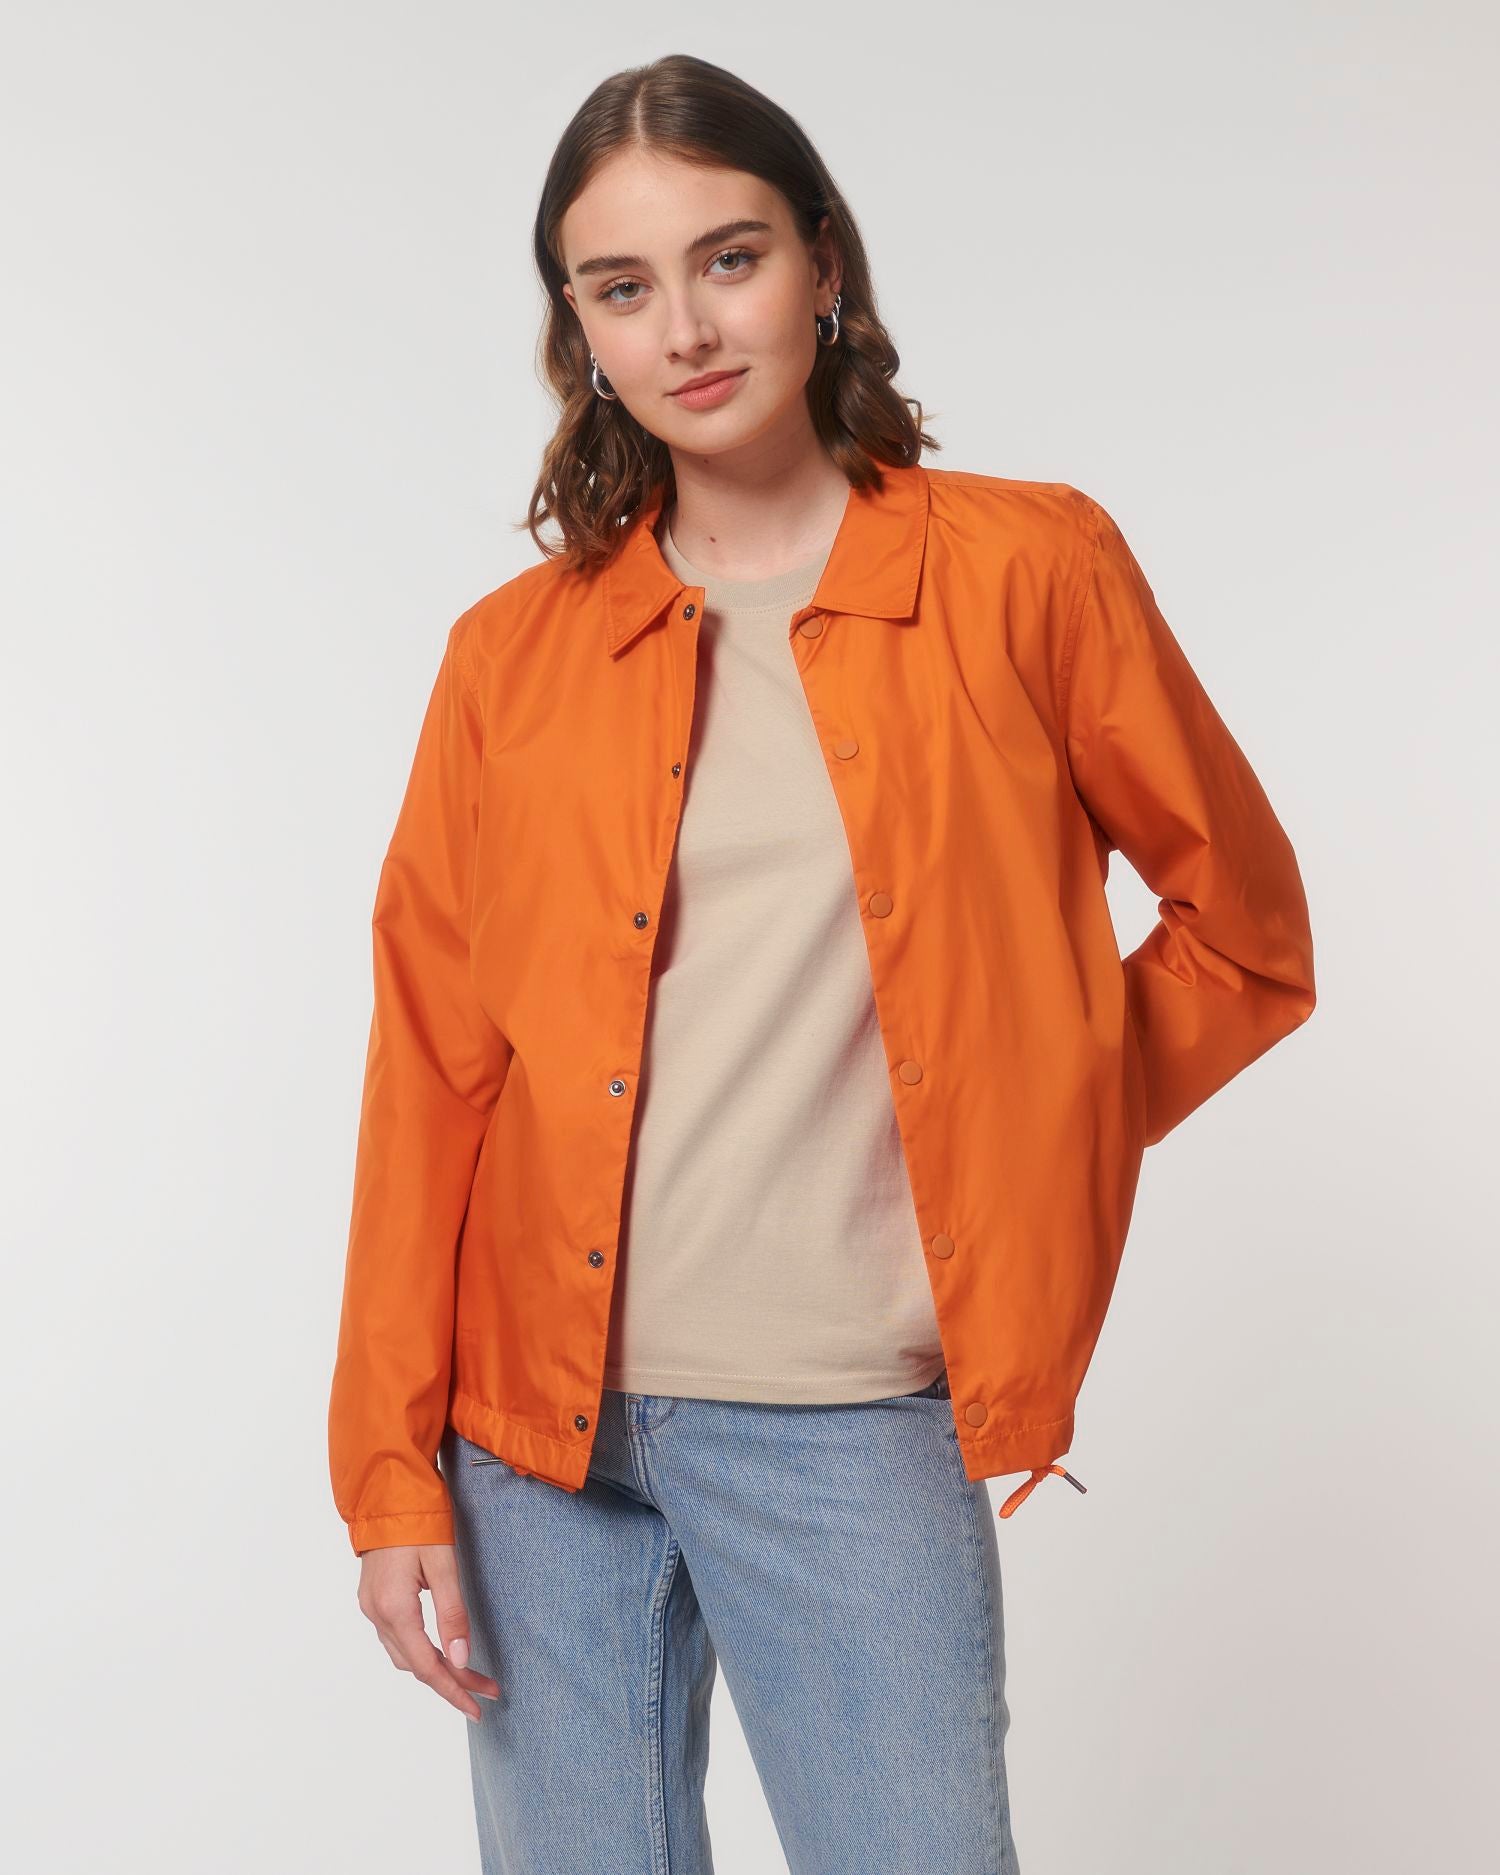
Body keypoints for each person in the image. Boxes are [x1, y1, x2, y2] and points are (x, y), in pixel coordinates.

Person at [327, 52, 1316, 1875]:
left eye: (731, 258)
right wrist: (391, 1475)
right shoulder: (511, 658)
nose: (688, 328)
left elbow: (1246, 937)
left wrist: (1033, 1128)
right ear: (579, 332)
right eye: (623, 287)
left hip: (852, 1416)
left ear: (823, 264)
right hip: (532, 1442)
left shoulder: (1029, 570)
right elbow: (435, 1073)